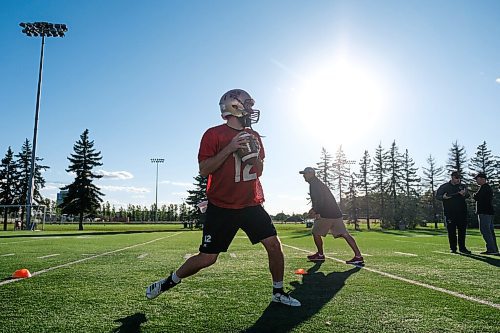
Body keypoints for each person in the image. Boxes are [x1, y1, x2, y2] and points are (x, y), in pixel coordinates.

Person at [145, 89, 300, 307]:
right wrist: (230, 148)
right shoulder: (213, 134)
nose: (251, 109)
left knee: (274, 245)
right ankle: (169, 281)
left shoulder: (254, 136)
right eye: (247, 104)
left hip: (249, 203)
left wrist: (254, 157)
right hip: (222, 206)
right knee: (207, 258)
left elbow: (259, 171)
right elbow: (204, 170)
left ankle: (278, 292)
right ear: (234, 106)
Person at [299, 167, 364, 265]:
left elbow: (320, 199)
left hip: (327, 214)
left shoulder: (314, 184)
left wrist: (315, 210)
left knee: (315, 232)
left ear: (311, 174)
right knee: (345, 234)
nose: (303, 176)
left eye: (305, 174)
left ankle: (320, 255)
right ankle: (358, 256)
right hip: (336, 213)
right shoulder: (318, 183)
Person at [435, 171, 471, 254]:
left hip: (462, 212)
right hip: (450, 212)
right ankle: (453, 248)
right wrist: (443, 197)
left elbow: (468, 195)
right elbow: (438, 196)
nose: (458, 180)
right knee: (451, 231)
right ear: (452, 177)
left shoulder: (462, 186)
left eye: (459, 178)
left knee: (462, 231)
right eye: (456, 178)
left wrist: (464, 194)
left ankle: (462, 248)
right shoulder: (444, 186)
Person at [472, 172, 499, 255]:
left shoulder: (484, 187)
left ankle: (491, 249)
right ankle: (494, 249)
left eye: (477, 179)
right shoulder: (487, 187)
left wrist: (474, 195)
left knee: (485, 230)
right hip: (488, 212)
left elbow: (477, 197)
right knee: (490, 231)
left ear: (482, 179)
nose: (476, 181)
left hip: (484, 212)